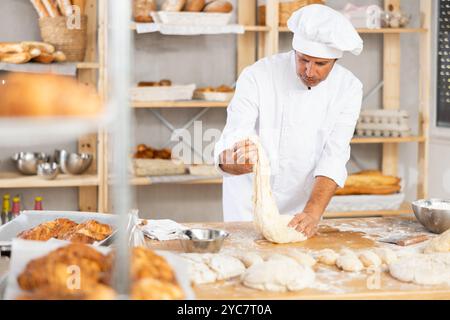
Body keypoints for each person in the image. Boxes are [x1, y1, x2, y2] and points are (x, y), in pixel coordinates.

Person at [213, 4, 364, 237]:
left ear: (335, 60)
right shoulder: (258, 75)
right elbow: (236, 132)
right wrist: (235, 159)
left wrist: (313, 212)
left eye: (320, 64)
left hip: (301, 209)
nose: (309, 71)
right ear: (295, 50)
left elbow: (334, 155)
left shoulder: (349, 88)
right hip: (246, 207)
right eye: (303, 60)